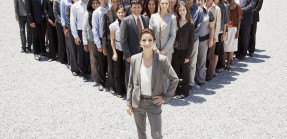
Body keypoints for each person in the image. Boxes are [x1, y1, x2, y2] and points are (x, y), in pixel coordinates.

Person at [126, 29, 179, 139]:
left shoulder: (161, 60)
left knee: (156, 135)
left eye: (150, 40)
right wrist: (128, 102)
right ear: (140, 42)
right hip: (138, 102)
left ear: (154, 42)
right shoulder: (135, 59)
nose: (147, 43)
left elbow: (174, 79)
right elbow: (131, 83)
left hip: (154, 102)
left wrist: (166, 97)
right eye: (144, 40)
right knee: (141, 134)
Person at [120, 0, 149, 89]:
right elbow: (123, 40)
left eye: (138, 7)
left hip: (144, 53)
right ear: (131, 8)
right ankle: (130, 95)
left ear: (141, 8)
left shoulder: (146, 19)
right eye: (134, 7)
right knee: (130, 75)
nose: (136, 9)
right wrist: (128, 55)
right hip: (131, 55)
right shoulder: (125, 21)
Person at [172, 1, 194, 99]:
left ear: (187, 10)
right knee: (175, 71)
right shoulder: (175, 21)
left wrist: (188, 56)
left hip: (185, 51)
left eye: (183, 10)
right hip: (176, 51)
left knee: (185, 72)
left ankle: (184, 91)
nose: (182, 12)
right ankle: (176, 90)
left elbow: (191, 42)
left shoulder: (191, 24)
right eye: (180, 10)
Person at [102, 0, 121, 93]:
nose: (115, 3)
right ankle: (112, 85)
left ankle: (120, 84)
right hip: (110, 43)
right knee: (111, 65)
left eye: (117, 1)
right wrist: (104, 46)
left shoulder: (123, 11)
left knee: (120, 65)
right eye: (113, 1)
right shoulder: (106, 13)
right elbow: (104, 31)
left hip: (120, 43)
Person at [195, 0, 214, 85]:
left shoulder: (209, 13)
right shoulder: (192, 12)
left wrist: (211, 39)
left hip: (204, 40)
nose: (199, 2)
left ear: (204, 2)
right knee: (192, 61)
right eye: (198, 0)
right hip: (194, 40)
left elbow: (211, 28)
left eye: (201, 0)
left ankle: (200, 79)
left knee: (202, 61)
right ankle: (192, 80)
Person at [92, 0, 110, 91]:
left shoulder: (111, 8)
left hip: (110, 38)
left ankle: (111, 82)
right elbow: (94, 29)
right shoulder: (96, 12)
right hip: (100, 39)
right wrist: (98, 44)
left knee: (111, 62)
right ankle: (101, 82)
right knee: (101, 62)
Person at [109, 5, 127, 98]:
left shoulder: (128, 23)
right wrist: (114, 52)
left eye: (122, 12)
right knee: (117, 71)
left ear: (125, 13)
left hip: (126, 50)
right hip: (118, 49)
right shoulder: (113, 25)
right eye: (119, 12)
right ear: (116, 14)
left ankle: (125, 88)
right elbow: (112, 39)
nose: (121, 14)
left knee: (125, 70)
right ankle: (118, 90)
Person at [70, 0, 90, 81]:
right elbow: (72, 21)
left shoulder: (91, 3)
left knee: (90, 52)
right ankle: (83, 72)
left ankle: (90, 70)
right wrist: (75, 36)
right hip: (80, 31)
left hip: (91, 31)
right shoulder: (75, 6)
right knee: (81, 53)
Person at [82, 0, 100, 85]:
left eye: (97, 3)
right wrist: (85, 42)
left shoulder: (102, 12)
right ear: (90, 4)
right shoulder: (87, 13)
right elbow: (84, 29)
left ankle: (102, 76)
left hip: (101, 39)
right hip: (91, 39)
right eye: (93, 3)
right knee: (93, 59)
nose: (95, 5)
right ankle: (95, 77)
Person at [186, 0, 203, 89]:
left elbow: (198, 28)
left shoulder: (199, 11)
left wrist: (190, 40)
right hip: (182, 41)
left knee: (192, 62)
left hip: (193, 41)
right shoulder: (182, 7)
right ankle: (184, 80)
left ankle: (191, 82)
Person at [204, 0, 221, 81]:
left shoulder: (217, 9)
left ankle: (209, 75)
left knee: (210, 56)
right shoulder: (202, 6)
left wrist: (214, 37)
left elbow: (218, 24)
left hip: (212, 35)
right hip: (203, 35)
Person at [224, 0, 241, 70]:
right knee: (224, 46)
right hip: (225, 27)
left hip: (233, 28)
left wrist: (238, 31)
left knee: (231, 47)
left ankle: (228, 63)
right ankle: (222, 62)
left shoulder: (237, 6)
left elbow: (239, 19)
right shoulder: (225, 5)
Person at [65, 0, 80, 76]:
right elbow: (67, 20)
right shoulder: (68, 5)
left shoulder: (82, 4)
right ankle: (74, 68)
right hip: (72, 31)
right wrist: (73, 30)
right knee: (73, 50)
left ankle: (82, 67)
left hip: (81, 30)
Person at [213, 0, 229, 74]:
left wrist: (224, 33)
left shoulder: (224, 6)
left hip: (220, 31)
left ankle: (218, 66)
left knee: (218, 50)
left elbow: (225, 21)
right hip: (211, 30)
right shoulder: (210, 3)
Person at [54, 0, 68, 64]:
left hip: (66, 24)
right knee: (61, 41)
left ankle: (67, 57)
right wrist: (62, 23)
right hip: (60, 24)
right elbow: (56, 14)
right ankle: (62, 58)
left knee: (66, 41)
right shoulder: (56, 1)